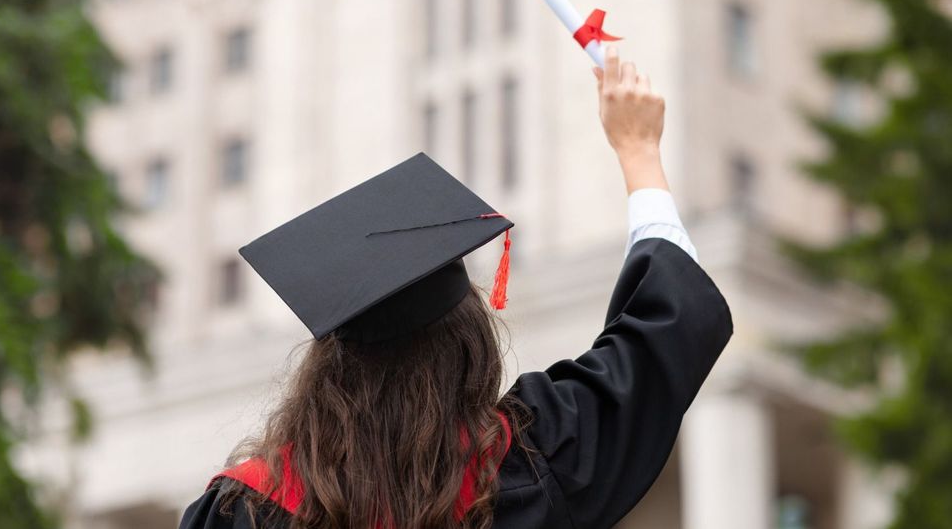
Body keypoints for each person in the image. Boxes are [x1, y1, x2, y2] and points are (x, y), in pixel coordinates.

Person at [178, 45, 733, 529]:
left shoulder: (244, 511)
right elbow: (669, 325)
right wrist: (638, 152)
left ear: (329, 369)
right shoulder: (534, 467)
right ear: (470, 349)